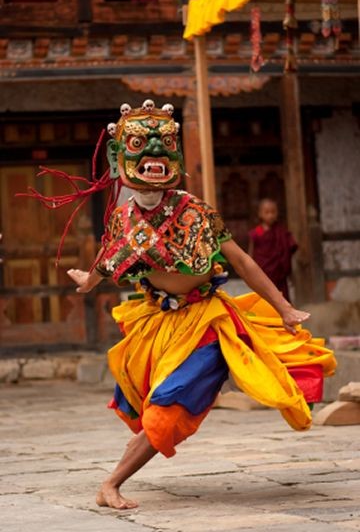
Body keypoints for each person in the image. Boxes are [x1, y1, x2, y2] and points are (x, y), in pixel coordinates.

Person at [26, 100, 336, 510]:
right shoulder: (124, 218)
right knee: (153, 401)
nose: (153, 161)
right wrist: (89, 278)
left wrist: (284, 308)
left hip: (207, 319)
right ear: (122, 161)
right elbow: (110, 257)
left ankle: (111, 483)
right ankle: (115, 479)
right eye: (142, 151)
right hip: (159, 322)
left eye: (161, 152)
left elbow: (241, 260)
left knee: (171, 404)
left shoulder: (196, 211)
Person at [248, 198, 297, 300]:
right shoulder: (257, 232)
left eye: (273, 212)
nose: (270, 215)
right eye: (267, 212)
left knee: (282, 296)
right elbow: (251, 252)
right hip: (263, 271)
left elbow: (289, 248)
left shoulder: (281, 231)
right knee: (264, 297)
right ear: (260, 214)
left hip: (279, 273)